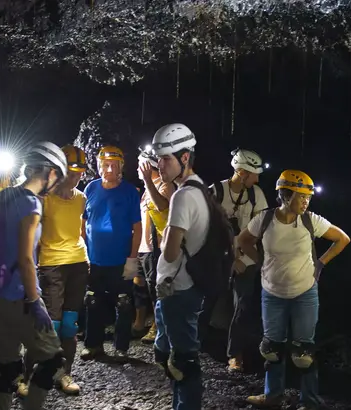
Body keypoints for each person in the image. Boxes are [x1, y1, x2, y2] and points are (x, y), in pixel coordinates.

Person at [236, 169, 350, 410]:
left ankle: (309, 401)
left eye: (308, 198)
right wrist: (261, 260)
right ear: (285, 195)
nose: (306, 202)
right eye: (301, 197)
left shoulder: (310, 220)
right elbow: (243, 240)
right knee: (272, 349)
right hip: (272, 294)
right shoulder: (265, 220)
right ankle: (272, 396)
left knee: (304, 351)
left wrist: (321, 263)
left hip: (304, 294)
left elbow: (342, 239)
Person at [0, 141, 68, 410]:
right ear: (51, 173)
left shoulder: (5, 196)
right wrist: (35, 301)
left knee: (6, 366)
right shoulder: (31, 205)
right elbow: (26, 257)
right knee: (53, 360)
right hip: (18, 298)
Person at [150, 123, 208, 410]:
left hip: (179, 287)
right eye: (158, 159)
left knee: (183, 361)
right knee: (176, 358)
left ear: (185, 158)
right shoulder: (201, 189)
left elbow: (170, 251)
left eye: (166, 159)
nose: (159, 165)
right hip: (188, 286)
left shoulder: (183, 195)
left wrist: (164, 242)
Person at [37, 145, 90, 395]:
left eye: (79, 172)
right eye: (71, 171)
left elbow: (79, 230)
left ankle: (65, 373)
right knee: (52, 325)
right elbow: (33, 233)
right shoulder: (45, 198)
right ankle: (42, 371)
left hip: (78, 264)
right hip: (52, 265)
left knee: (70, 325)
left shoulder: (81, 198)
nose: (75, 176)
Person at [82, 145, 143, 362]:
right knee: (93, 302)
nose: (109, 169)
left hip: (120, 259)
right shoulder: (90, 188)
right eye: (105, 165)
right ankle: (93, 345)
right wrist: (85, 253)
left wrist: (132, 258)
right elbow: (83, 223)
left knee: (124, 303)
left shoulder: (129, 192)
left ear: (121, 168)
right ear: (98, 166)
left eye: (113, 165)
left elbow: (137, 228)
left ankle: (121, 347)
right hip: (95, 259)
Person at [212, 149, 269, 372]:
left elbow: (260, 228)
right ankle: (193, 347)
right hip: (218, 258)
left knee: (242, 305)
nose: (257, 179)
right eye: (254, 174)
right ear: (242, 172)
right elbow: (205, 227)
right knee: (206, 303)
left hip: (246, 258)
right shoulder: (216, 191)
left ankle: (235, 353)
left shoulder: (256, 195)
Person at [134, 147, 174, 344]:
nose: (137, 168)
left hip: (157, 247)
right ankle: (140, 322)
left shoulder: (165, 186)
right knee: (139, 284)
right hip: (143, 247)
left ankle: (158, 325)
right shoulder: (146, 190)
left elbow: (162, 206)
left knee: (154, 287)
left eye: (140, 164)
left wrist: (148, 180)